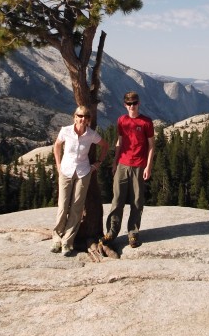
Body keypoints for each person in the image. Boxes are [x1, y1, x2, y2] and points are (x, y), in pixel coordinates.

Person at [51, 105, 109, 257]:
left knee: (77, 208)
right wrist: (58, 164)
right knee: (63, 206)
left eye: (86, 117)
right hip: (65, 171)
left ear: (89, 120)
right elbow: (57, 145)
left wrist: (98, 163)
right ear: (74, 117)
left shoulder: (91, 134)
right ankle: (57, 237)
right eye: (80, 116)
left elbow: (105, 146)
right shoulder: (66, 131)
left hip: (83, 172)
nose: (83, 119)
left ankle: (67, 242)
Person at [102, 91, 155, 248]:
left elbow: (151, 145)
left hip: (139, 165)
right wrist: (114, 162)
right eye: (129, 104)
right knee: (117, 200)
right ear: (125, 105)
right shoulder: (121, 121)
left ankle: (133, 233)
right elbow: (119, 142)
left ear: (138, 103)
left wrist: (149, 166)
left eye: (134, 103)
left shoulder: (146, 122)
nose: (132, 106)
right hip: (123, 165)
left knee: (137, 201)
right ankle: (112, 232)